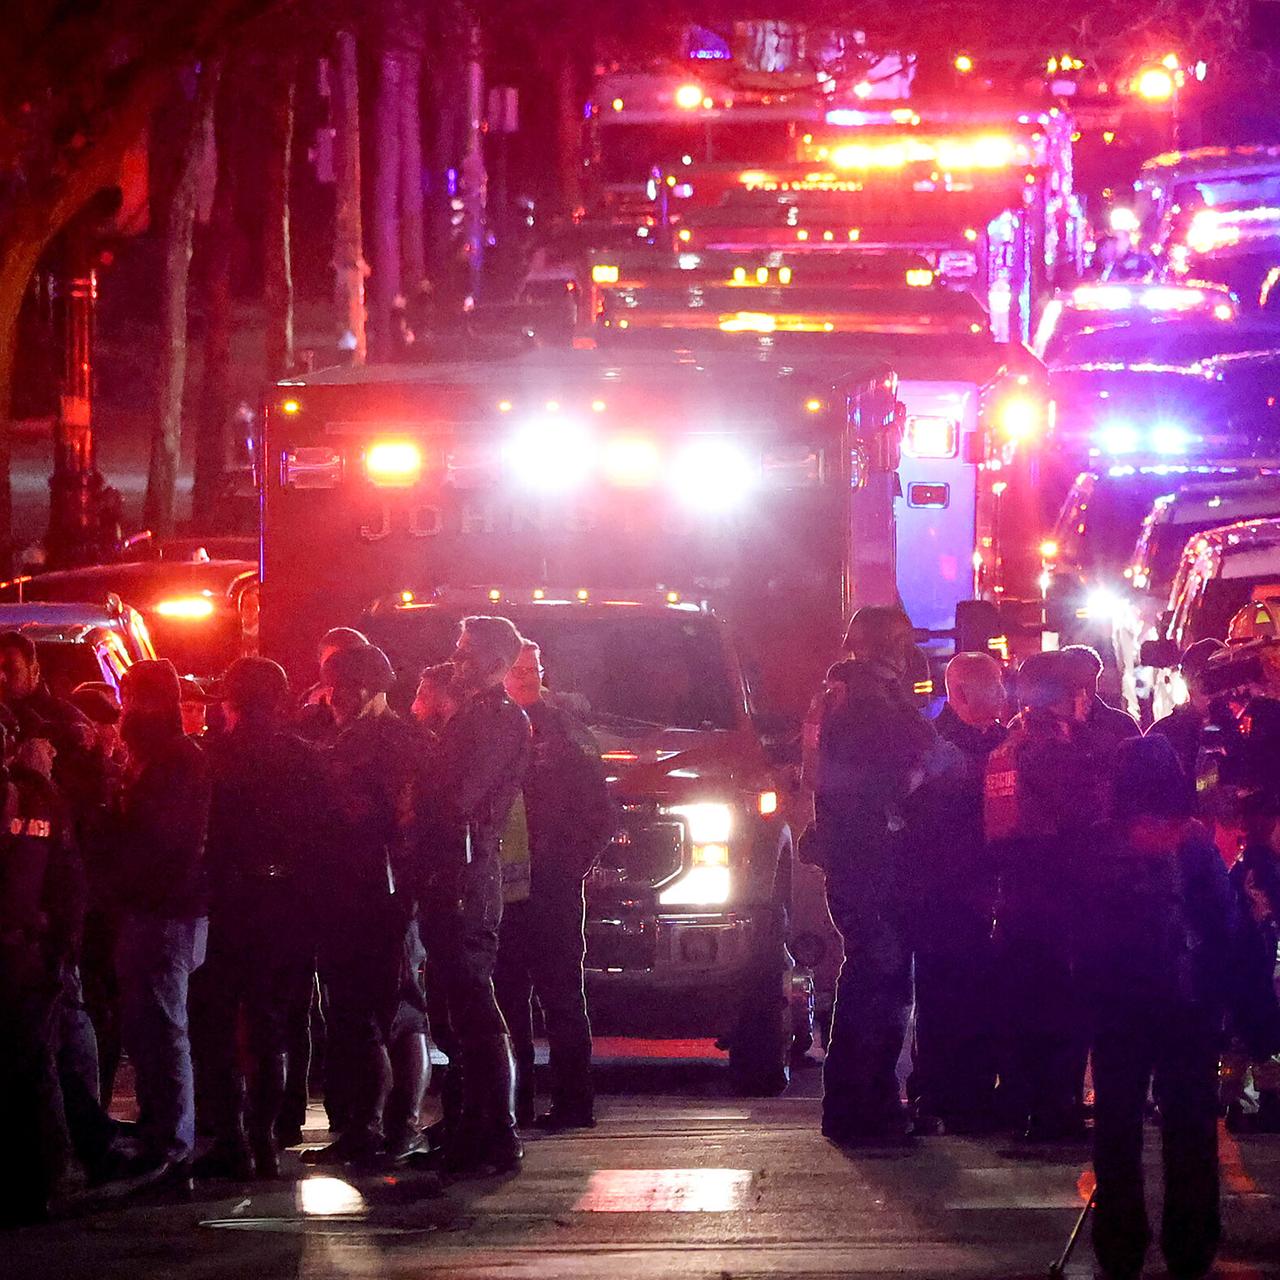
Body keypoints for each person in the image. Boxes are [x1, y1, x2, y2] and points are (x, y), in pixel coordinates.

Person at [1080, 736, 1279, 1280]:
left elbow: (1073, 931)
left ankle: (1119, 1242)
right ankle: (1189, 1243)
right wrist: (1252, 1016)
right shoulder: (1191, 844)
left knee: (1116, 1122)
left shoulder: (1097, 842)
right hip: (1186, 1004)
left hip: (1117, 1003)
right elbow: (1225, 932)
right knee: (1189, 1123)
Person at [196, 658, 332, 1180]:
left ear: (229, 700)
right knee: (272, 1025)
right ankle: (265, 1139)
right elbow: (324, 835)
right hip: (286, 903)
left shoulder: (214, 757)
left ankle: (232, 1138)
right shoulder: (303, 757)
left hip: (228, 901)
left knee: (218, 1024)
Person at [809, 605, 937, 1144]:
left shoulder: (850, 693)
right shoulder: (864, 697)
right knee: (877, 978)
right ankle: (864, 1108)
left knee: (878, 978)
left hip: (861, 857)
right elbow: (908, 749)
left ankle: (868, 1103)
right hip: (869, 859)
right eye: (902, 641)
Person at [414, 616, 532, 1175]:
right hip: (458, 873)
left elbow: (458, 797)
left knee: (473, 1005)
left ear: (495, 663)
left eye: (465, 654)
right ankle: (468, 1124)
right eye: (457, 652)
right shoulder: (486, 720)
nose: (454, 662)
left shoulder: (490, 721)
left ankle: (493, 1131)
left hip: (464, 875)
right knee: (460, 1006)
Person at [305, 642, 421, 1167]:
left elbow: (345, 818)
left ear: (353, 689)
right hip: (404, 893)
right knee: (403, 1012)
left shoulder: (357, 743)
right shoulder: (414, 737)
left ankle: (364, 1129)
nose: (328, 698)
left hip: (360, 893)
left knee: (358, 1015)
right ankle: (401, 1127)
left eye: (333, 687)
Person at [985, 649, 1109, 1141]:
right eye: (1078, 690)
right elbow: (1082, 816)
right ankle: (1056, 1106)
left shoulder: (1012, 741)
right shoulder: (1053, 749)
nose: (1086, 699)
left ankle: (1018, 1102)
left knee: (1021, 1003)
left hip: (1016, 893)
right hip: (1057, 891)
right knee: (1061, 1004)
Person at [494, 641, 615, 1131]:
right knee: (504, 1000)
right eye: (516, 668)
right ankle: (512, 1104)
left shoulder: (565, 731)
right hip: (500, 887)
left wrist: (570, 867)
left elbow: (601, 812)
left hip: (550, 888)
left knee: (562, 998)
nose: (524, 677)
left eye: (533, 669)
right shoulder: (490, 727)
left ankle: (573, 1104)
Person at [108, 659, 212, 1190]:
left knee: (163, 1027)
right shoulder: (163, 757)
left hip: (165, 911)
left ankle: (171, 1144)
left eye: (131, 698)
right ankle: (160, 1133)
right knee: (149, 1028)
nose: (124, 709)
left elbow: (163, 840)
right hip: (157, 908)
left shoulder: (176, 759)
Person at [908, 652, 1006, 1132]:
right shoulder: (935, 745)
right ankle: (938, 1094)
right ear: (962, 692)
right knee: (944, 996)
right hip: (947, 893)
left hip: (990, 889)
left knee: (985, 996)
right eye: (994, 685)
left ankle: (977, 1093)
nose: (1004, 695)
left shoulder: (1003, 741)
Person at [0, 715, 86, 1226]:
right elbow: (70, 877)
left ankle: (38, 1181)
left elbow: (68, 876)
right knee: (32, 1067)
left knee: (30, 1067)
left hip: (25, 953)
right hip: (32, 953)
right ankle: (39, 1181)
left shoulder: (38, 796)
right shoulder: (41, 795)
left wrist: (62, 948)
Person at [1147, 638, 1229, 781]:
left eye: (1225, 673)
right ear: (1188, 680)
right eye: (1209, 676)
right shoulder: (1165, 734)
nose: (1218, 683)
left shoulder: (1247, 723)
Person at [296, 626, 370, 744]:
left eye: (343, 663)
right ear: (321, 662)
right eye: (330, 663)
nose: (336, 671)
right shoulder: (310, 699)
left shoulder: (377, 698)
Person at [1060, 644, 1141, 750]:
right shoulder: (1050, 722)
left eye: (1087, 678)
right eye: (1075, 677)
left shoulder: (1121, 724)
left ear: (1097, 679)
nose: (1081, 687)